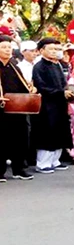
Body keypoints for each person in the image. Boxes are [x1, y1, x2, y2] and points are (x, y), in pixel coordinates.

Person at [31, 38, 74, 174]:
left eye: (57, 49)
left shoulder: (57, 65)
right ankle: (43, 163)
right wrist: (61, 92)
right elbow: (41, 86)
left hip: (59, 103)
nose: (55, 52)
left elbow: (63, 82)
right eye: (51, 49)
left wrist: (66, 91)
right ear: (41, 50)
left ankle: (55, 160)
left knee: (59, 131)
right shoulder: (39, 66)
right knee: (47, 133)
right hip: (47, 105)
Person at [0, 34, 35, 181]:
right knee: (1, 139)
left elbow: (23, 84)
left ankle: (19, 169)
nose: (8, 50)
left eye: (9, 47)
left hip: (16, 107)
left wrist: (31, 89)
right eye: (3, 47)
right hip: (1, 109)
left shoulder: (14, 64)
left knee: (20, 138)